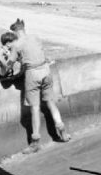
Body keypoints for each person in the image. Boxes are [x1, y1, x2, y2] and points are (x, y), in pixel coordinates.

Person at [7, 18, 70, 153]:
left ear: (15, 32)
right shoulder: (36, 37)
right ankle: (62, 131)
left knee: (35, 108)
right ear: (24, 29)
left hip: (33, 75)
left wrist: (4, 69)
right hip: (46, 71)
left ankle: (35, 142)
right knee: (50, 103)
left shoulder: (16, 45)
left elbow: (9, 64)